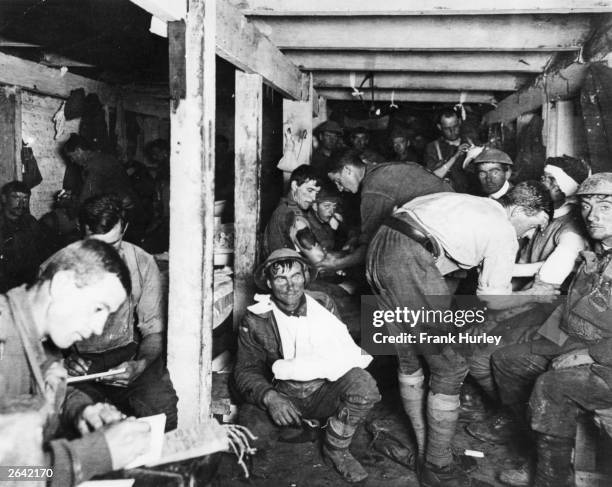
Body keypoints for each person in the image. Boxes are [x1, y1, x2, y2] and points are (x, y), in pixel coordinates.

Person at [365, 182, 552, 487]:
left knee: (410, 359)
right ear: (519, 210)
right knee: (451, 365)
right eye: (534, 226)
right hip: (408, 259)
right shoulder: (503, 230)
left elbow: (488, 266)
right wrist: (536, 296)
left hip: (382, 249)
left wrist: (535, 269)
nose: (529, 235)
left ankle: (427, 451)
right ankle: (437, 465)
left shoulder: (469, 204)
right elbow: (493, 297)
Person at [481, 173, 612, 487]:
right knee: (507, 360)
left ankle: (550, 478)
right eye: (587, 206)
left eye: (606, 207)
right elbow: (574, 305)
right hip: (579, 342)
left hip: (605, 358)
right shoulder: (596, 254)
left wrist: (588, 354)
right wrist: (547, 336)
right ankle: (542, 453)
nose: (593, 216)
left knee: (551, 386)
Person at [0, 239, 151, 486]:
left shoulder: (38, 338)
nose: (99, 328)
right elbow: (8, 474)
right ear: (61, 285)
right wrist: (94, 455)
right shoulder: (5, 340)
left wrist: (82, 410)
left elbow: (48, 390)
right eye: (98, 309)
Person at [234, 249, 380, 483]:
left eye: (296, 276)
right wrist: (271, 399)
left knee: (364, 387)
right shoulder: (255, 319)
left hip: (322, 391)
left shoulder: (323, 305)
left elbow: (341, 350)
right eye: (281, 278)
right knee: (253, 437)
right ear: (270, 283)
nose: (290, 285)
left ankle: (336, 450)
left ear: (305, 276)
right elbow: (245, 371)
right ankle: (298, 429)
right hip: (283, 393)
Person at [466, 156, 591, 404]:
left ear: (570, 188)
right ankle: (494, 402)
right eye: (544, 176)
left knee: (480, 353)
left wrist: (493, 317)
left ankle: (504, 412)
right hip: (518, 298)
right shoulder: (536, 214)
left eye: (552, 180)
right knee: (470, 342)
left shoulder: (570, 230)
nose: (544, 182)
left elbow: (547, 285)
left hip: (542, 309)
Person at [60, 195, 178, 431]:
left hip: (129, 356)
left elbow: (153, 331)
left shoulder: (142, 263)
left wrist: (141, 364)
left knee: (162, 413)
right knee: (85, 426)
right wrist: (64, 360)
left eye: (112, 245)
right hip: (81, 365)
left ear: (125, 228)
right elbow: (40, 344)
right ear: (79, 230)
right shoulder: (56, 268)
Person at [320, 150, 451, 272]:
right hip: (455, 213)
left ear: (348, 170)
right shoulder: (380, 170)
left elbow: (371, 246)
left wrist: (336, 265)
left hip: (446, 229)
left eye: (338, 181)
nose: (339, 188)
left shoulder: (373, 188)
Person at [63, 134, 145, 242]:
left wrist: (68, 206)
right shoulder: (101, 157)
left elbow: (86, 198)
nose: (72, 161)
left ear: (79, 150)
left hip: (126, 213)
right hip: (125, 208)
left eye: (71, 156)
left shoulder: (95, 166)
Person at [263, 165, 321, 257]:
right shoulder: (287, 213)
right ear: (294, 185)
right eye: (310, 190)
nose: (313, 198)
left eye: (316, 193)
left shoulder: (294, 208)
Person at [0, 181, 48, 292]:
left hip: (28, 283)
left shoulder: (31, 222)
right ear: (4, 198)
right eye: (15, 197)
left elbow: (42, 252)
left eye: (25, 198)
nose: (21, 203)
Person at [424, 109, 473, 193]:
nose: (452, 131)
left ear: (460, 122)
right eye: (447, 128)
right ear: (439, 127)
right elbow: (431, 178)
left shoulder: (471, 142)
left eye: (455, 126)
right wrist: (456, 155)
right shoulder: (433, 148)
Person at [39, 189, 81, 255]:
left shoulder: (78, 216)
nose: (73, 201)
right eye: (66, 197)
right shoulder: (50, 220)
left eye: (73, 197)